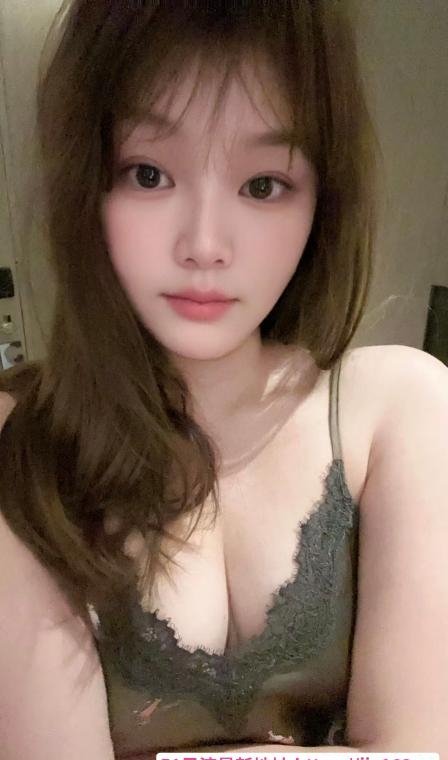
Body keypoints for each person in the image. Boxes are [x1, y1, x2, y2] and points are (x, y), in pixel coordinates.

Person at [0, 1, 447, 758]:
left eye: (263, 184)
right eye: (149, 174)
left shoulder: (402, 411)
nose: (205, 245)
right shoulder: (24, 440)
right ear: (87, 185)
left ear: (323, 198)